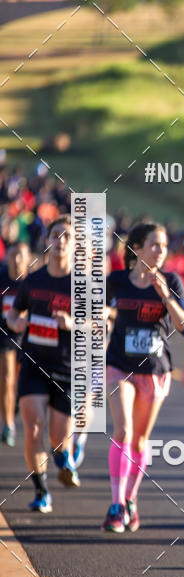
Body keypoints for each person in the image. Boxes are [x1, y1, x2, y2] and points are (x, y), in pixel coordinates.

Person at [103, 222, 184, 533]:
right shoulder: (116, 280)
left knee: (140, 438)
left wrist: (166, 296)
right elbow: (97, 308)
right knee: (123, 430)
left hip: (154, 370)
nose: (160, 251)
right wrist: (101, 316)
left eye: (164, 246)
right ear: (137, 248)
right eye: (154, 244)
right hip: (119, 366)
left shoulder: (172, 281)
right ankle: (115, 505)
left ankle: (130, 499)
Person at [6, 216, 79, 513]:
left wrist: (72, 323)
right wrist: (17, 322)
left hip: (66, 368)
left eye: (67, 237)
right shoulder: (33, 280)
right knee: (33, 427)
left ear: (74, 245)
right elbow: (11, 315)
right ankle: (41, 491)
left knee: (58, 438)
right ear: (47, 240)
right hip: (33, 363)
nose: (60, 241)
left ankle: (63, 457)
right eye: (56, 235)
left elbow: (97, 326)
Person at [0, 241, 30, 446]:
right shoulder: (2, 278)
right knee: (7, 378)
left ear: (28, 259)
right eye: (12, 255)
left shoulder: (33, 281)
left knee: (21, 380)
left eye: (20, 256)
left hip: (29, 337)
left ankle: (17, 402)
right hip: (5, 333)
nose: (16, 260)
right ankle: (8, 424)